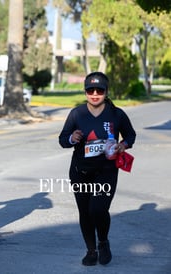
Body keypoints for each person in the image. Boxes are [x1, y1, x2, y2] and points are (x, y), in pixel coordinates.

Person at [58, 72, 136, 266]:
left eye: (99, 90)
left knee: (98, 209)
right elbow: (62, 139)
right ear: (85, 92)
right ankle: (91, 251)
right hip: (80, 172)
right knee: (84, 212)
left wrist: (123, 145)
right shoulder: (77, 113)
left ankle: (103, 242)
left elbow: (131, 135)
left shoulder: (116, 114)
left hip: (106, 171)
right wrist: (71, 138)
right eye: (90, 90)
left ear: (106, 92)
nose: (94, 94)